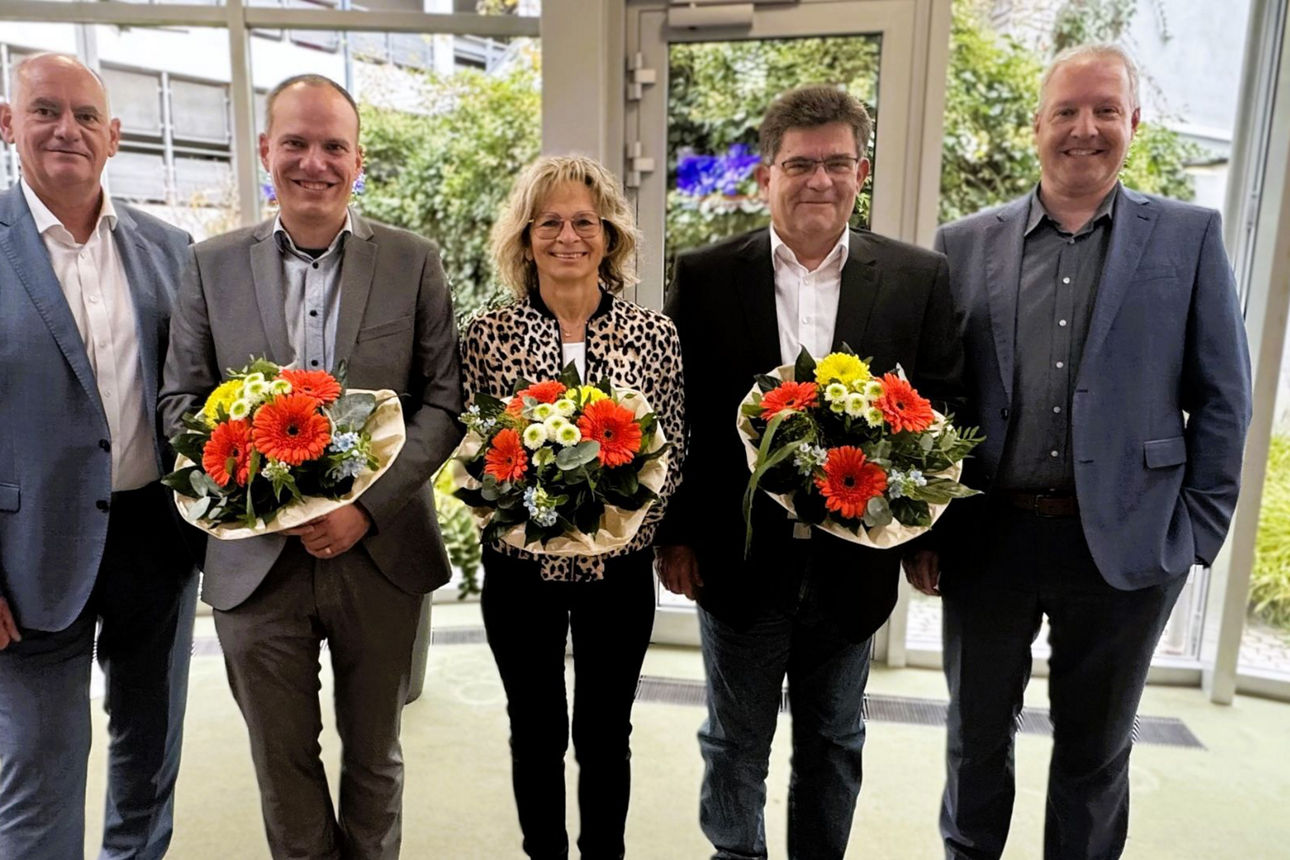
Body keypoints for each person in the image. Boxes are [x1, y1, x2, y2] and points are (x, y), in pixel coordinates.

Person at [925, 44, 1252, 859]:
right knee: (973, 743)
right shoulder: (964, 244)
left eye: (1106, 109)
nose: (1085, 128)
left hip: (1128, 544)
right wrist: (929, 529)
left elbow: (1224, 399)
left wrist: (1197, 532)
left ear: (1134, 125)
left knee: (1094, 753)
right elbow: (936, 400)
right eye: (1067, 111)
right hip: (990, 537)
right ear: (1036, 126)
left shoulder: (1189, 238)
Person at [159, 74, 462, 859]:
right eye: (295, 142)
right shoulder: (209, 265)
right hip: (255, 564)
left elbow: (445, 404)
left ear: (359, 160)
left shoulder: (413, 260)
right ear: (267, 151)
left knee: (375, 758)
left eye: (334, 146)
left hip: (380, 552)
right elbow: (179, 406)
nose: (314, 162)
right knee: (281, 763)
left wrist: (368, 506)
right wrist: (263, 498)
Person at [658, 84, 964, 859]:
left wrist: (929, 534)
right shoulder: (703, 275)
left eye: (835, 163)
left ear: (861, 173)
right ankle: (737, 854)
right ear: (766, 175)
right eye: (799, 165)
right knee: (733, 743)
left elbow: (944, 404)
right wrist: (678, 536)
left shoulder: (917, 278)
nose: (817, 181)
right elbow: (682, 414)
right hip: (737, 558)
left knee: (833, 740)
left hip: (855, 564)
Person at [0, 53, 200, 859]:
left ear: (113, 136)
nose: (66, 130)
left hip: (156, 535)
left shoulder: (171, 248)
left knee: (149, 757)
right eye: (45, 110)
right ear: (8, 124)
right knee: (37, 768)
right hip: (25, 552)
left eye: (85, 116)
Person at [459, 154, 686, 860]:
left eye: (584, 221)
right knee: (534, 729)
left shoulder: (655, 334)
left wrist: (618, 525)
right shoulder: (485, 335)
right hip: (519, 572)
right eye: (548, 222)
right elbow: (475, 451)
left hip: (619, 573)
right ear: (525, 240)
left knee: (603, 733)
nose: (568, 237)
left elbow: (673, 446)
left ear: (610, 236)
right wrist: (535, 521)